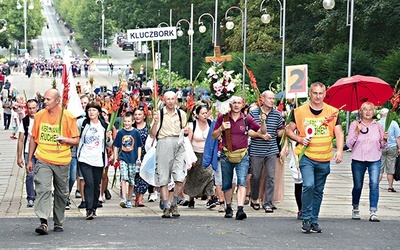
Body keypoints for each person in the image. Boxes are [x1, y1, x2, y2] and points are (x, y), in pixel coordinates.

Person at [286, 82, 344, 234]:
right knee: (309, 185)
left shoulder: (333, 112)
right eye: (315, 93)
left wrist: (339, 151)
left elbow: (339, 133)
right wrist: (299, 139)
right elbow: (288, 130)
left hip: (324, 158)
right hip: (307, 156)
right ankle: (305, 217)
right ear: (310, 94)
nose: (317, 96)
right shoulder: (299, 111)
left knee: (318, 190)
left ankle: (314, 220)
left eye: (320, 93)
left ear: (325, 94)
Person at [26, 89, 79, 235]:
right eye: (44, 99)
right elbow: (33, 139)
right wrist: (30, 159)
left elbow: (76, 140)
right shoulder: (39, 116)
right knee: (43, 188)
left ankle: (58, 221)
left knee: (61, 193)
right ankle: (43, 221)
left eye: (48, 99)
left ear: (58, 100)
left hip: (62, 161)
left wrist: (66, 139)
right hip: (43, 159)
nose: (45, 102)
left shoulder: (68, 117)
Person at [211, 96, 267, 220]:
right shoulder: (223, 118)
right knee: (227, 183)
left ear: (243, 105)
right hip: (227, 155)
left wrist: (263, 121)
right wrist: (221, 128)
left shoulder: (247, 119)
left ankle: (240, 209)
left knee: (242, 181)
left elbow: (262, 131)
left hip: (242, 155)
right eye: (234, 103)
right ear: (230, 105)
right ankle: (229, 207)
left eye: (239, 103)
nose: (236, 105)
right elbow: (213, 136)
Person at [346, 102, 388, 222]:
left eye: (371, 109)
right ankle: (355, 207)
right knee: (358, 185)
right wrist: (356, 132)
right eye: (365, 109)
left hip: (374, 159)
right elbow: (349, 144)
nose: (368, 112)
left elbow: (382, 145)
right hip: (358, 159)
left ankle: (373, 211)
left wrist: (384, 139)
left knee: (374, 184)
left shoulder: (378, 126)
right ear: (360, 111)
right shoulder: (355, 124)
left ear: (374, 112)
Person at [149, 91, 188, 218]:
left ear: (176, 99)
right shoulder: (159, 114)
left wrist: (186, 131)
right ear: (164, 100)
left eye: (173, 99)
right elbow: (152, 134)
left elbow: (185, 130)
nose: (171, 101)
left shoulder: (181, 114)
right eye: (168, 99)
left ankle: (174, 203)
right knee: (164, 177)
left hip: (178, 143)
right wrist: (155, 122)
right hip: (164, 143)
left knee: (179, 177)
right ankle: (166, 206)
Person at [248, 91, 284, 213]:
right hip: (256, 150)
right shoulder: (253, 113)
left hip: (271, 149)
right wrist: (260, 135)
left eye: (273, 98)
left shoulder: (277, 114)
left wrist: (286, 130)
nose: (272, 101)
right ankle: (254, 197)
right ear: (262, 99)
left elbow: (279, 132)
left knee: (270, 176)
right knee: (256, 176)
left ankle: (268, 202)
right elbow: (249, 132)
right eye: (270, 98)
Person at [76, 102, 113, 219]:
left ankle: (94, 206)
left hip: (98, 159)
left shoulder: (104, 125)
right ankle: (89, 209)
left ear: (98, 112)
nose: (91, 112)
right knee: (89, 183)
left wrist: (109, 137)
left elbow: (109, 143)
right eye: (89, 110)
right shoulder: (83, 123)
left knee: (97, 184)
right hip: (85, 158)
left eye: (94, 110)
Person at [184, 105, 216, 209]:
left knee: (209, 175)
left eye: (206, 113)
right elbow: (188, 142)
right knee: (193, 178)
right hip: (195, 154)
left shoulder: (211, 124)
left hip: (207, 155)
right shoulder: (192, 125)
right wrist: (189, 157)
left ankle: (210, 199)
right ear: (197, 115)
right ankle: (191, 199)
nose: (205, 115)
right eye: (202, 113)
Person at [113, 111, 143, 208]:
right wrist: (115, 157)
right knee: (124, 177)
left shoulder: (136, 132)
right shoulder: (120, 132)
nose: (126, 123)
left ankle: (129, 199)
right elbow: (116, 146)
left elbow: (139, 146)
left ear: (133, 121)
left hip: (133, 159)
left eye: (128, 121)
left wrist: (138, 157)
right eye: (125, 121)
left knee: (131, 180)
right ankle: (124, 198)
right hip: (123, 158)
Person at [16, 99, 39, 207]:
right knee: (30, 175)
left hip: (41, 151)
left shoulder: (42, 119)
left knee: (40, 175)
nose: (32, 110)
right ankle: (30, 197)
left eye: (34, 108)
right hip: (28, 152)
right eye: (30, 108)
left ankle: (40, 194)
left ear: (37, 107)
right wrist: (19, 156)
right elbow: (21, 139)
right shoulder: (25, 121)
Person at [378, 108, 400, 192]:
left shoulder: (377, 123)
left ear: (381, 114)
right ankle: (390, 187)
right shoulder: (393, 123)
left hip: (381, 147)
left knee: (380, 167)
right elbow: (397, 137)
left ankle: (375, 185)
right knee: (390, 168)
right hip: (392, 147)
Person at [132, 107, 149, 207]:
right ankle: (137, 197)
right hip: (133, 155)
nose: (137, 116)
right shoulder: (131, 127)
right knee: (135, 177)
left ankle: (140, 198)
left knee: (144, 177)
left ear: (144, 116)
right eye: (136, 114)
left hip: (145, 155)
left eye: (140, 114)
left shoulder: (148, 127)